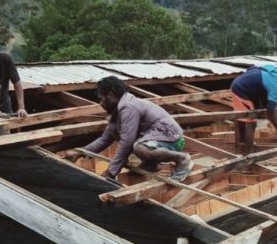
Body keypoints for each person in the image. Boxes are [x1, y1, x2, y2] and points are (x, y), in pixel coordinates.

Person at [61, 76, 193, 182]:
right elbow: (104, 140)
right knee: (139, 144)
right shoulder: (117, 113)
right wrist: (78, 152)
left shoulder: (128, 107)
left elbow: (127, 142)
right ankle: (150, 164)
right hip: (160, 140)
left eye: (101, 99)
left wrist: (111, 172)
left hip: (173, 140)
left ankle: (182, 159)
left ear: (111, 94)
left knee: (139, 147)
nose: (100, 104)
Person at [230, 65, 277, 143]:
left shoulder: (275, 69)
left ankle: (243, 140)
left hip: (246, 85)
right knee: (251, 121)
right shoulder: (276, 85)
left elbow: (251, 68)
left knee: (247, 114)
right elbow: (270, 110)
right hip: (240, 89)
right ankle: (248, 151)